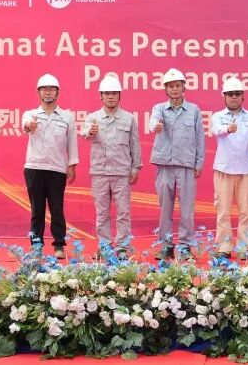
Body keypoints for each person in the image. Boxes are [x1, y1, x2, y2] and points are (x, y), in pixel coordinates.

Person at [148, 68, 205, 259]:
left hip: (186, 165)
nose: (174, 89)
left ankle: (185, 246)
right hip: (164, 164)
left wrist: (199, 162)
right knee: (165, 208)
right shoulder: (159, 109)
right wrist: (155, 126)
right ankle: (166, 245)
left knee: (187, 209)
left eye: (177, 85)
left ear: (183, 87)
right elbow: (153, 121)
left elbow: (200, 137)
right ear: (165, 89)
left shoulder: (194, 110)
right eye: (170, 86)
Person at [82, 73, 141, 257]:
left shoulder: (129, 118)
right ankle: (105, 246)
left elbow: (135, 144)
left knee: (123, 212)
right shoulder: (92, 118)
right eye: (106, 93)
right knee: (102, 213)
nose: (110, 97)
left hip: (121, 173)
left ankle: (123, 247)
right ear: (101, 96)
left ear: (119, 95)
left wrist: (136, 167)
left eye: (114, 93)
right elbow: (85, 134)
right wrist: (90, 132)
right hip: (99, 172)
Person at [21, 73, 78, 259]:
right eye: (44, 89)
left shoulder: (66, 117)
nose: (48, 92)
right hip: (34, 168)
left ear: (57, 92)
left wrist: (72, 165)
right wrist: (29, 126)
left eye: (51, 89)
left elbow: (72, 142)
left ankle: (59, 244)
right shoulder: (30, 114)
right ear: (38, 92)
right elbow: (25, 126)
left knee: (56, 209)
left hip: (57, 169)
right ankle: (36, 246)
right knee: (37, 210)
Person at [209, 77, 248, 260]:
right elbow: (215, 130)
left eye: (237, 94)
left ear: (243, 96)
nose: (233, 97)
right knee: (223, 211)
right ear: (224, 96)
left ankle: (243, 248)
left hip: (246, 171)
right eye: (230, 94)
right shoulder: (217, 116)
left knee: (246, 212)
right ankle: (224, 246)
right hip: (223, 170)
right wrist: (227, 129)